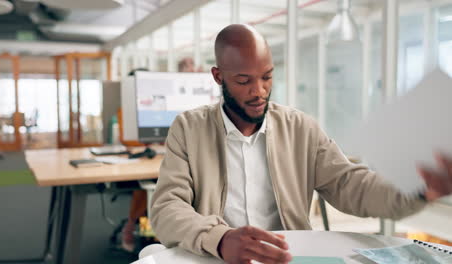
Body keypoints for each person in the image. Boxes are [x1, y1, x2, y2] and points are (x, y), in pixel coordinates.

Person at [149, 24, 452, 264]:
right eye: (244, 81)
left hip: (287, 257)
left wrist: (417, 187)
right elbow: (166, 207)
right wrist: (220, 238)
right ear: (218, 76)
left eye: (267, 77)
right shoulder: (188, 128)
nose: (259, 91)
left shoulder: (300, 128)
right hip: (217, 258)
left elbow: (352, 186)